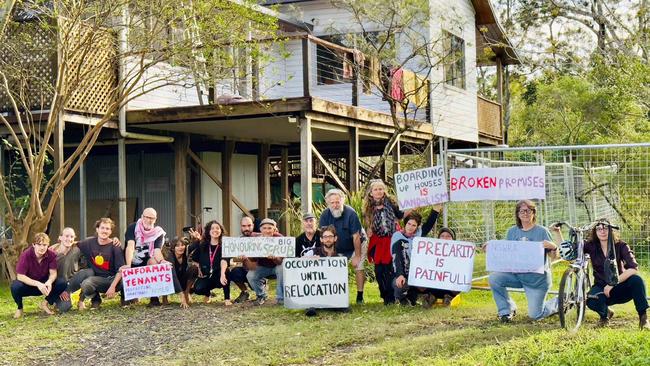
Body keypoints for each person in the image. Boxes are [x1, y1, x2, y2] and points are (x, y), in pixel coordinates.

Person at [488, 200, 559, 322]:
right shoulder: (512, 232)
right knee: (494, 278)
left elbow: (555, 257)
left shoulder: (542, 231)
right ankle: (506, 310)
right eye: (522, 211)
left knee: (535, 315)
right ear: (518, 214)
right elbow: (507, 254)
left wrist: (553, 246)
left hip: (537, 281)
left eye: (528, 210)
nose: (525, 213)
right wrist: (492, 248)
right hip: (517, 276)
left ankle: (560, 301)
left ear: (533, 213)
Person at [582, 219, 649, 329]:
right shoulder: (591, 246)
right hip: (601, 287)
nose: (602, 231)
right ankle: (605, 315)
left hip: (619, 286)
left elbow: (633, 268)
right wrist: (557, 232)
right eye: (599, 229)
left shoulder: (621, 245)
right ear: (595, 231)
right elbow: (571, 253)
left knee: (637, 280)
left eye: (605, 228)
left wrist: (613, 283)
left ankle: (643, 318)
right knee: (591, 299)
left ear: (611, 230)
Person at [319, 188, 366, 304]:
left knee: (358, 266)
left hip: (358, 242)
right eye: (332, 202)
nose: (335, 205)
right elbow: (325, 237)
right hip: (338, 245)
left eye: (337, 202)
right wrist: (327, 254)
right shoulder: (325, 215)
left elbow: (356, 236)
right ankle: (335, 296)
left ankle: (360, 296)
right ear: (328, 203)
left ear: (342, 201)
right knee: (332, 268)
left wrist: (357, 256)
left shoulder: (351, 213)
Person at [70, 218, 126, 310]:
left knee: (126, 279)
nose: (104, 231)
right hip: (98, 280)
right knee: (86, 284)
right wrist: (53, 248)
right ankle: (95, 300)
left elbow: (121, 270)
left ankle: (125, 299)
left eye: (107, 229)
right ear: (97, 229)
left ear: (111, 231)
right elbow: (73, 243)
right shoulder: (89, 243)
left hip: (114, 279)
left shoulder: (115, 246)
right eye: (102, 228)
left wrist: (112, 287)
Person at [363, 180, 404, 305]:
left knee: (390, 268)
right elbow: (367, 224)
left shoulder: (391, 203)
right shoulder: (368, 208)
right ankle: (384, 294)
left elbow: (401, 215)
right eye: (375, 189)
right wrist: (368, 229)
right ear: (371, 193)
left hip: (391, 239)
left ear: (384, 190)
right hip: (378, 241)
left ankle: (391, 297)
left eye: (381, 189)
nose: (378, 191)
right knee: (379, 270)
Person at [391, 206, 441, 308]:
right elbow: (397, 257)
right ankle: (400, 298)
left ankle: (416, 298)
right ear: (405, 224)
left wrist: (436, 209)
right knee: (401, 284)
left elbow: (429, 224)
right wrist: (400, 274)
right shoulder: (397, 236)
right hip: (401, 272)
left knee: (426, 285)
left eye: (414, 225)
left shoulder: (419, 235)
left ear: (417, 227)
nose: (410, 227)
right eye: (409, 224)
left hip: (416, 274)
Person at [11, 233, 67, 318]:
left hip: (44, 285)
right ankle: (20, 308)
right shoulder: (26, 255)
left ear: (48, 245)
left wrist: (49, 282)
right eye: (39, 244)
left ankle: (45, 303)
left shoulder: (51, 254)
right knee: (15, 286)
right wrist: (37, 284)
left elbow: (53, 273)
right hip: (29, 285)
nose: (42, 247)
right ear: (33, 245)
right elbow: (20, 276)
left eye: (44, 245)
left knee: (62, 282)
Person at [124, 208, 167, 306]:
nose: (149, 220)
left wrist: (162, 261)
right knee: (130, 301)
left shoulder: (158, 232)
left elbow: (156, 250)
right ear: (142, 217)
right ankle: (129, 295)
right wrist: (128, 265)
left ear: (155, 219)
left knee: (154, 262)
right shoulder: (133, 227)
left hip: (147, 261)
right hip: (132, 259)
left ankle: (154, 298)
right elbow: (130, 246)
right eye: (147, 217)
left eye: (152, 218)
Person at [304, 225, 349, 317]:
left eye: (330, 237)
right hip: (316, 288)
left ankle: (336, 304)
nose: (328, 239)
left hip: (332, 289)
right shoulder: (313, 252)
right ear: (321, 239)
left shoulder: (340, 256)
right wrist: (308, 259)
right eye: (325, 237)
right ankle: (312, 306)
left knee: (341, 304)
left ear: (335, 238)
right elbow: (298, 264)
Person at [190, 220, 232, 305]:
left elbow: (224, 260)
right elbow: (194, 258)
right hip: (206, 275)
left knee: (226, 270)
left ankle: (227, 298)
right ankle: (207, 294)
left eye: (217, 228)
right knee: (198, 288)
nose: (215, 230)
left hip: (219, 276)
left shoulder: (225, 245)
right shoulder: (203, 245)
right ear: (209, 231)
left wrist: (223, 273)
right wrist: (198, 267)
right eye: (212, 228)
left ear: (221, 231)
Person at [245, 218, 284, 305]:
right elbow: (253, 260)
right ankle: (262, 295)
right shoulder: (255, 239)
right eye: (264, 228)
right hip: (263, 267)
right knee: (250, 275)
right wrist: (247, 255)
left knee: (282, 268)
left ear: (274, 229)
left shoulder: (279, 238)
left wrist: (274, 257)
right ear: (260, 229)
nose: (267, 231)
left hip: (276, 266)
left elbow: (280, 261)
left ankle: (281, 298)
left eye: (270, 228)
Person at [50, 227, 83, 313]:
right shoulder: (51, 253)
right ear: (60, 238)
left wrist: (114, 240)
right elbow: (46, 275)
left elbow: (92, 241)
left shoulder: (76, 250)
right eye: (66, 236)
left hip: (72, 283)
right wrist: (59, 290)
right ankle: (57, 300)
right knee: (64, 308)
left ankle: (80, 299)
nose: (69, 239)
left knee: (88, 273)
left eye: (72, 237)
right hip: (58, 285)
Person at [164, 237, 198, 309]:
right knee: (167, 276)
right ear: (173, 248)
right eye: (177, 245)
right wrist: (181, 295)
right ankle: (164, 296)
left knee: (194, 268)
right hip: (170, 280)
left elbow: (195, 245)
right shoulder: (170, 256)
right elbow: (172, 275)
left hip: (181, 279)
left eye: (182, 245)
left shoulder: (185, 253)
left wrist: (197, 239)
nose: (180, 247)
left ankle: (187, 292)